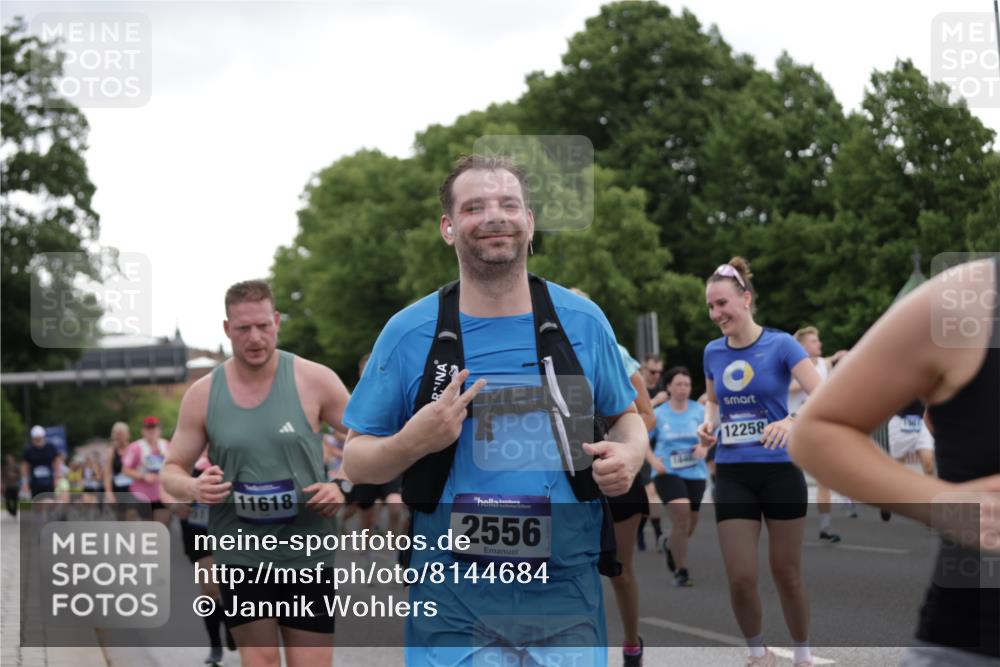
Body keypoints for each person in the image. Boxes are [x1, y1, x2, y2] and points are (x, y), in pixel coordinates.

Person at [342, 155, 647, 667]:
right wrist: (412, 441)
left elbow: (627, 417)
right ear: (448, 227)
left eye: (509, 204)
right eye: (474, 207)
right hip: (452, 598)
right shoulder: (408, 332)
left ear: (529, 221)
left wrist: (631, 455)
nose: (494, 217)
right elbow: (356, 461)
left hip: (564, 589)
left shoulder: (583, 320)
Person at [791, 257, 999, 664]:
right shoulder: (964, 300)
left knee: (925, 460)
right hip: (976, 642)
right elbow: (817, 430)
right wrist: (943, 504)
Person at [161, 279, 351, 667]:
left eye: (263, 326)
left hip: (307, 551)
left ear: (276, 321)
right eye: (243, 328)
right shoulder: (202, 394)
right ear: (227, 328)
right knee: (260, 660)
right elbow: (170, 471)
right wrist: (193, 486)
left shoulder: (314, 379)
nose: (255, 338)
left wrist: (342, 483)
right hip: (240, 553)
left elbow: (367, 440)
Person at [696, 258, 822, 667]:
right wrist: (708, 425)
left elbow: (825, 395)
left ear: (746, 299)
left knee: (786, 573)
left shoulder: (782, 344)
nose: (716, 314)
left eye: (722, 303)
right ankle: (758, 653)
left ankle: (802, 655)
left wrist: (791, 420)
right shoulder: (712, 352)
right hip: (733, 473)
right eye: (710, 307)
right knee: (740, 577)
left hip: (780, 469)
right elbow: (713, 403)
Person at [571, 287, 657, 666]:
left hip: (616, 473)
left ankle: (631, 642)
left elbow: (645, 415)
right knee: (572, 571)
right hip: (571, 477)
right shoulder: (543, 350)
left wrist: (622, 447)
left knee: (619, 572)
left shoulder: (615, 353)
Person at [650, 366, 710, 587]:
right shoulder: (659, 414)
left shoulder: (699, 411)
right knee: (682, 514)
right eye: (678, 384)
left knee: (688, 525)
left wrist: (704, 447)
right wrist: (653, 461)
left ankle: (669, 543)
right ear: (668, 387)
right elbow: (642, 439)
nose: (683, 388)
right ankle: (681, 571)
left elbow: (710, 437)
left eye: (687, 384)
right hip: (667, 471)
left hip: (695, 471)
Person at [789, 326, 848, 541]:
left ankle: (825, 527)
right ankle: (787, 525)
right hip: (792, 428)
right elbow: (787, 388)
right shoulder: (790, 366)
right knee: (791, 482)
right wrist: (805, 382)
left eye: (818, 340)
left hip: (816, 429)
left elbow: (831, 391)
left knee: (824, 479)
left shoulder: (824, 364)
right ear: (802, 346)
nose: (819, 344)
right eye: (814, 341)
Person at [122, 416, 172, 524]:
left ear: (159, 430)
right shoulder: (135, 447)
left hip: (162, 494)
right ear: (143, 430)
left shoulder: (167, 445)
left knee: (161, 528)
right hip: (141, 495)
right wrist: (143, 476)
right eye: (148, 428)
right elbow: (125, 470)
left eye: (154, 427)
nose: (151, 431)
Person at [886, 400, 936, 477]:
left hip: (922, 421)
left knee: (928, 463)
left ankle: (930, 484)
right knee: (897, 467)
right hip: (899, 422)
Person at [20, 425, 63, 500]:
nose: (38, 441)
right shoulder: (29, 450)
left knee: (49, 501)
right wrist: (25, 482)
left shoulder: (50, 447)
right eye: (36, 439)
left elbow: (57, 462)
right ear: (33, 438)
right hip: (35, 483)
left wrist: (57, 477)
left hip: (49, 481)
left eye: (39, 438)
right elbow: (25, 466)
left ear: (43, 437)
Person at [104, 421, 134, 503]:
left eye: (121, 434)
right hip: (118, 489)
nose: (119, 437)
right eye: (117, 435)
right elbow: (107, 474)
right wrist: (108, 493)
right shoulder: (111, 451)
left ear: (128, 435)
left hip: (133, 488)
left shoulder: (133, 448)